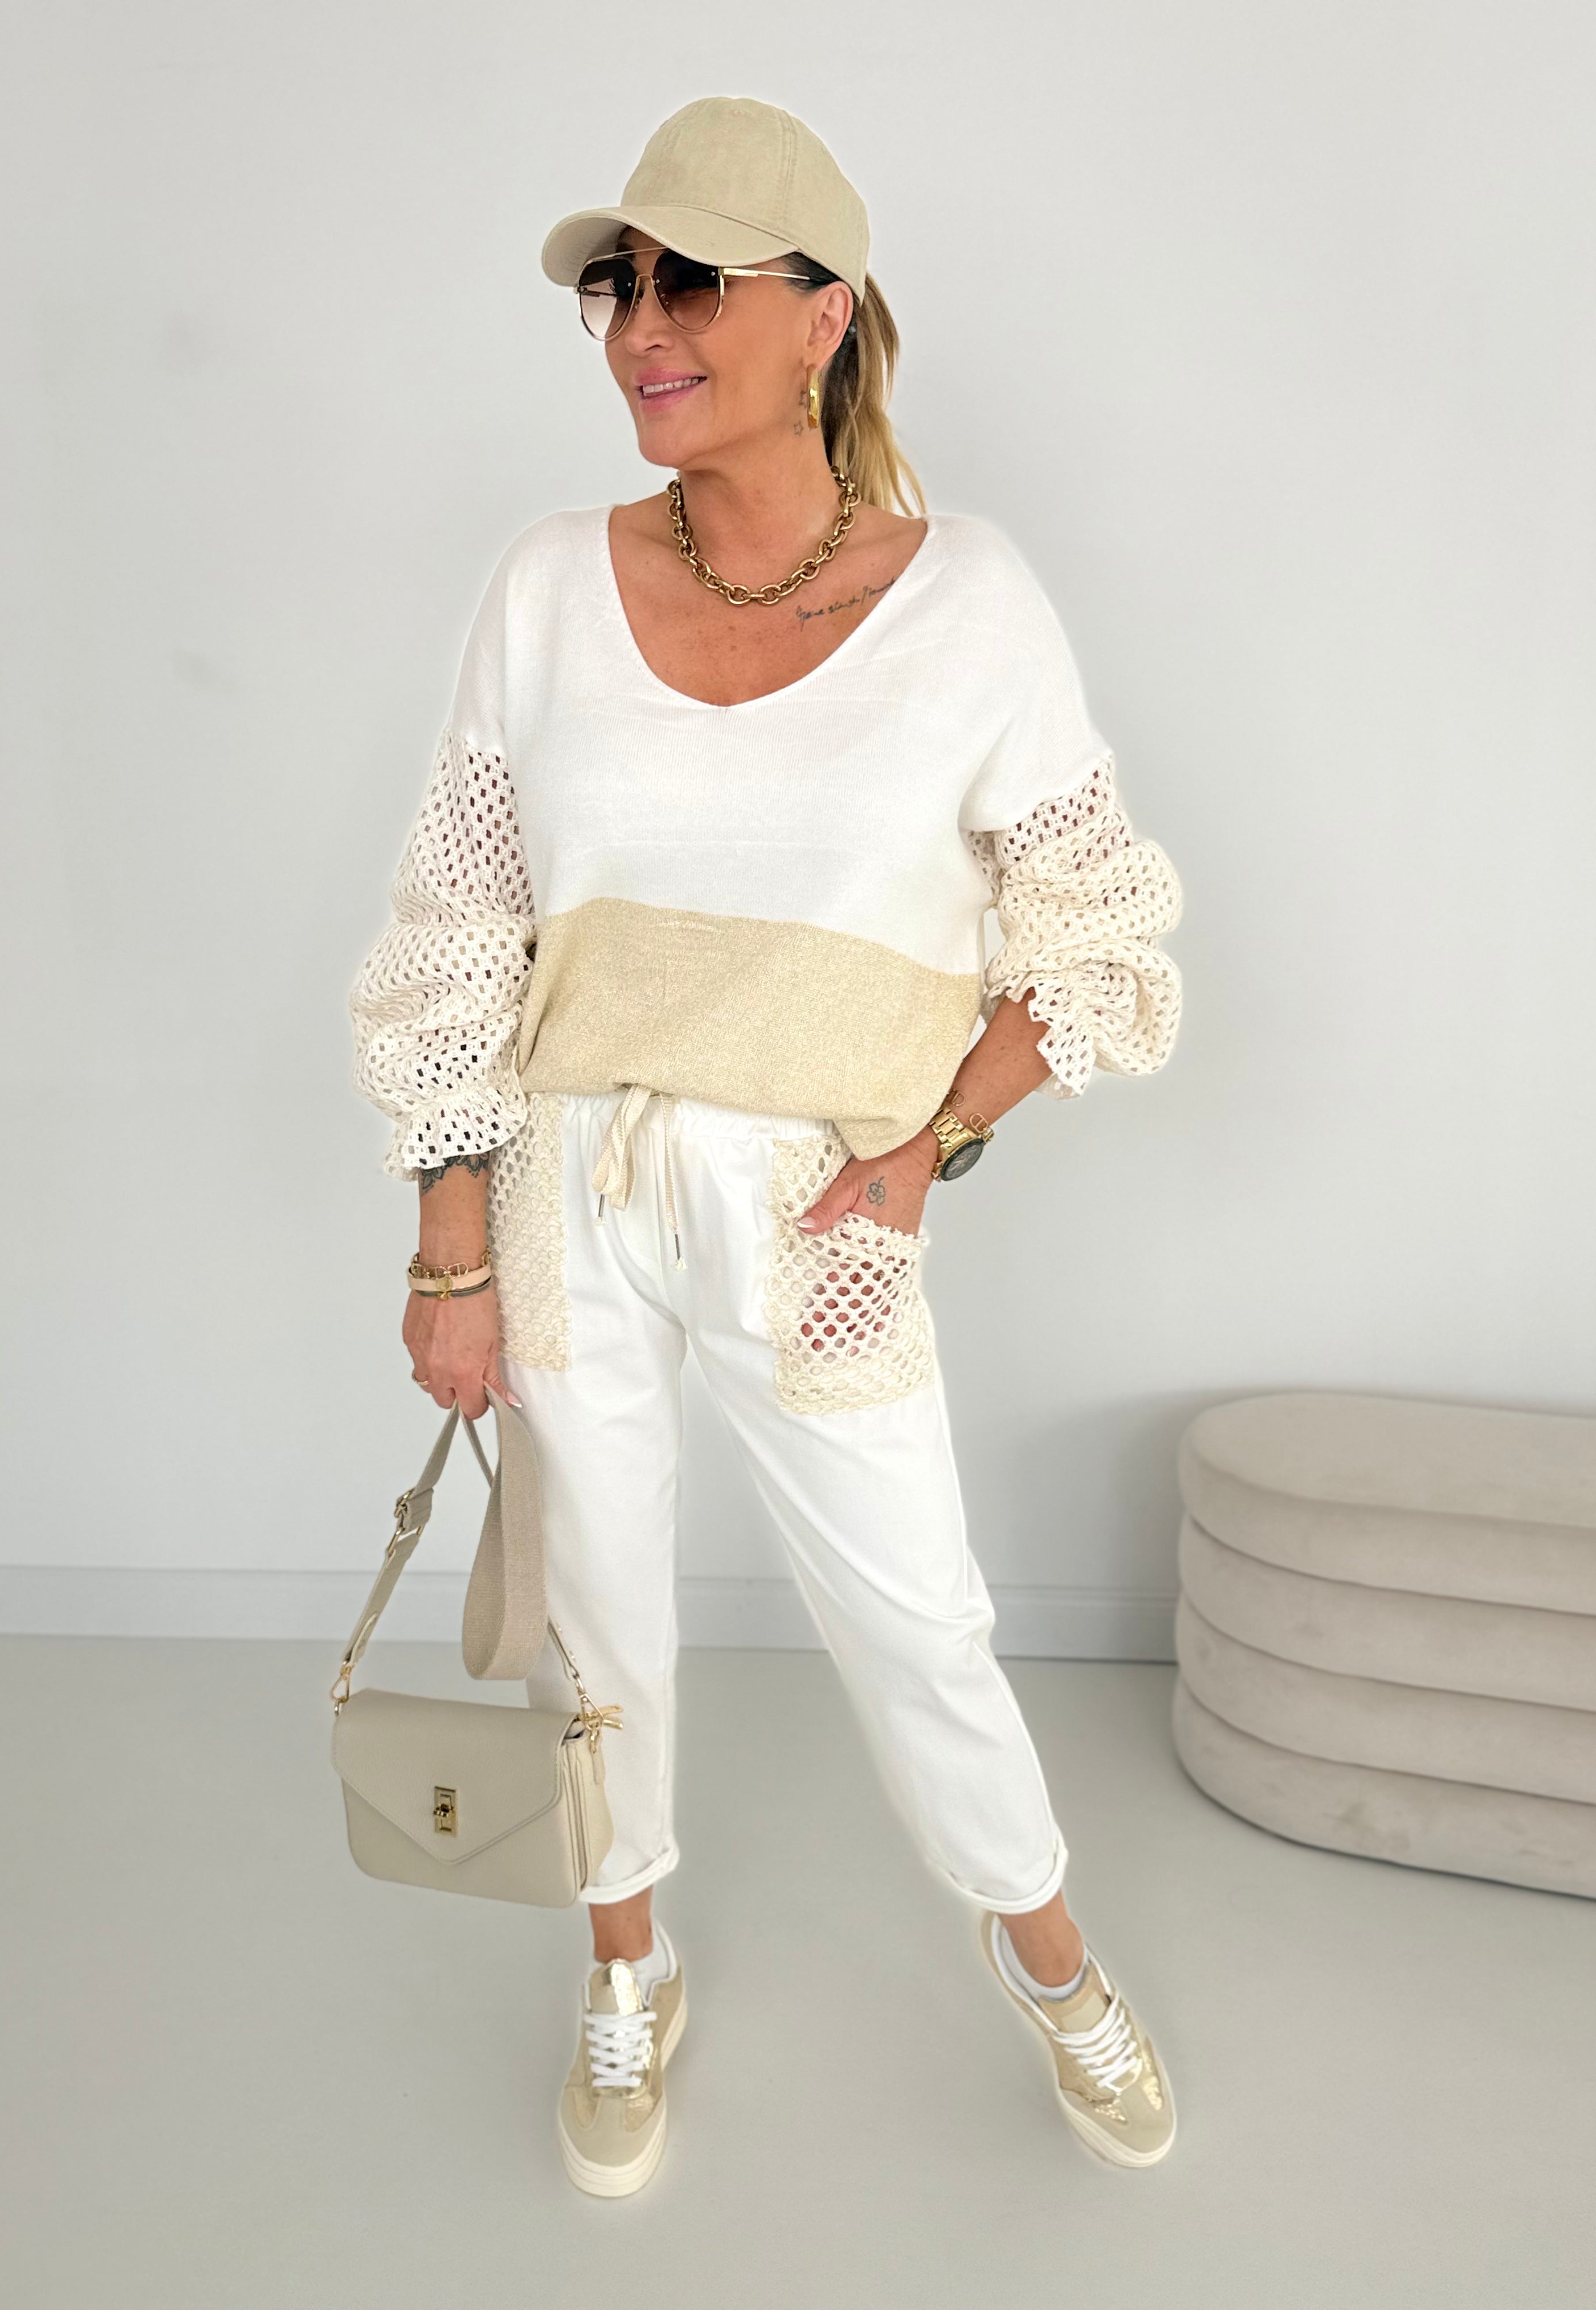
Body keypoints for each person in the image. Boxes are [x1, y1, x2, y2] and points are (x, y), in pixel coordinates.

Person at [347, 95, 1184, 2195]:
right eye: (620, 286)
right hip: (570, 1184)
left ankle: (1051, 1957)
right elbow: (458, 931)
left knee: (919, 1621)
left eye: (695, 282)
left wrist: (928, 1152)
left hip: (818, 1207)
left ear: (825, 316)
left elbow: (1098, 937)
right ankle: (624, 1967)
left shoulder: (968, 602)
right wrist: (452, 1248)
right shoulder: (547, 587)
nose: (643, 326)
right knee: (601, 1618)